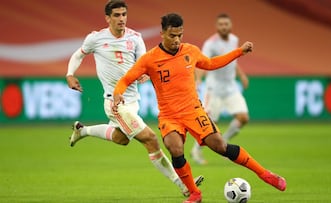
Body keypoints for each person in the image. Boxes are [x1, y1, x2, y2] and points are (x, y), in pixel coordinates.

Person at [113, 13, 286, 203]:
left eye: (180, 35)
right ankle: (195, 193)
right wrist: (118, 93)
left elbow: (211, 64)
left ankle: (265, 174)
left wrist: (239, 52)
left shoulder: (190, 51)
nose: (177, 40)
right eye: (172, 35)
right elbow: (126, 79)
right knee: (174, 147)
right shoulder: (149, 59)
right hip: (169, 116)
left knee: (220, 146)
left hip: (193, 111)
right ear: (162, 33)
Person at [65, 0, 203, 197]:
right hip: (115, 103)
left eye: (124, 14)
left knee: (122, 139)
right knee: (150, 138)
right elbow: (78, 55)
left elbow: (145, 64)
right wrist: (70, 74)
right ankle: (183, 185)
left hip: (133, 101)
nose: (121, 19)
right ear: (107, 18)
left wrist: (145, 74)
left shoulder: (136, 38)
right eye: (117, 15)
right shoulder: (95, 38)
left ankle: (83, 130)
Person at [191, 13, 250, 165]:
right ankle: (195, 150)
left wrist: (242, 75)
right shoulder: (211, 44)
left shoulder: (235, 40)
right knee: (209, 124)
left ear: (230, 26)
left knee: (243, 118)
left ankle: (224, 143)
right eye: (221, 24)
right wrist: (198, 80)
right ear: (217, 27)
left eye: (226, 24)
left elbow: (233, 60)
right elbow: (202, 62)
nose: (224, 27)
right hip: (214, 88)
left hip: (230, 87)